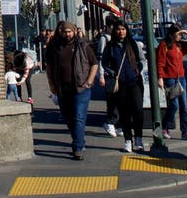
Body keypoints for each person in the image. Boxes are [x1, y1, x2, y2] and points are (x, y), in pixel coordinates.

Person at [45, 20, 98, 160]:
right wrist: (51, 84)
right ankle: (79, 139)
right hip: (62, 88)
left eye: (70, 31)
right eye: (65, 32)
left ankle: (77, 148)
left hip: (81, 88)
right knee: (68, 117)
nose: (67, 34)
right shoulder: (55, 47)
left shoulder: (83, 46)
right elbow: (49, 66)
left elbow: (94, 64)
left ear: (74, 31)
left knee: (79, 117)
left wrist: (90, 81)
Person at [100, 20, 144, 153]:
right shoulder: (111, 46)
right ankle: (128, 140)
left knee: (138, 110)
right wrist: (112, 72)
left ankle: (138, 138)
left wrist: (138, 69)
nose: (121, 32)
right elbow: (104, 62)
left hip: (134, 82)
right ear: (115, 31)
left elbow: (141, 59)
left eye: (123, 29)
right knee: (124, 112)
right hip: (120, 84)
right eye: (119, 29)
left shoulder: (133, 44)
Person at [157, 24, 187, 140]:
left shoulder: (179, 45)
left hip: (181, 78)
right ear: (172, 34)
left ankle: (185, 132)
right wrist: (160, 77)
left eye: (181, 34)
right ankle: (164, 127)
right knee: (174, 105)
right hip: (170, 79)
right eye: (179, 34)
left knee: (184, 106)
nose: (180, 36)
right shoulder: (164, 45)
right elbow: (160, 62)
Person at [96, 16, 121, 137]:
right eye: (114, 27)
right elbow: (100, 58)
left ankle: (117, 124)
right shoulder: (104, 39)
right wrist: (101, 75)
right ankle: (110, 122)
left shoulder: (117, 39)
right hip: (108, 74)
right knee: (112, 99)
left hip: (119, 73)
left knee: (120, 99)